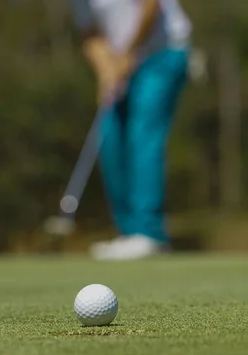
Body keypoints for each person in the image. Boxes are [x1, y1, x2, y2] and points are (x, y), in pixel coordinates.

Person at [68, 0, 192, 260]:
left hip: (163, 52)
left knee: (142, 135)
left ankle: (149, 233)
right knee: (109, 136)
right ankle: (129, 231)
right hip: (121, 62)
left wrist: (128, 53)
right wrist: (106, 71)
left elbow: (151, 7)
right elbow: (91, 35)